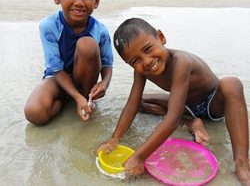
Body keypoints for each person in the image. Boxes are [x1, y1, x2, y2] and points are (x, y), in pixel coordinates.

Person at [98, 18, 250, 185]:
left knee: (231, 84)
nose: (147, 61)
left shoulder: (181, 61)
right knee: (139, 101)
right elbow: (132, 104)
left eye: (148, 49)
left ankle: (242, 163)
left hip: (212, 104)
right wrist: (115, 138)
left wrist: (139, 157)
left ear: (161, 37)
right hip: (185, 105)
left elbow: (171, 121)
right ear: (129, 64)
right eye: (136, 61)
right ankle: (192, 122)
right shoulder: (141, 71)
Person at [24, 0, 113, 125]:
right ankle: (70, 98)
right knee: (34, 113)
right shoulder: (49, 26)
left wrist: (104, 83)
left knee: (87, 45)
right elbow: (55, 67)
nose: (79, 2)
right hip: (57, 79)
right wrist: (75, 96)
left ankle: (85, 98)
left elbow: (107, 64)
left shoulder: (100, 31)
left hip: (84, 82)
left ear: (96, 1)